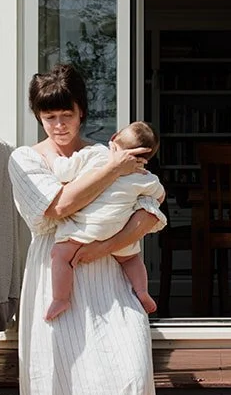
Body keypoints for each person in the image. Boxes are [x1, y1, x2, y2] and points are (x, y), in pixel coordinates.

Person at [7, 65, 165, 395]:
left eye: (67, 116)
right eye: (49, 116)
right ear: (38, 116)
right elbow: (54, 210)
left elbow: (149, 211)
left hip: (106, 274)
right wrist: (113, 174)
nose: (58, 126)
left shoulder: (101, 154)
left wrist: (105, 245)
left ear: (82, 113)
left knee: (131, 374)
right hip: (57, 279)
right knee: (59, 394)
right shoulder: (24, 160)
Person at [45, 120, 164, 321]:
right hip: (117, 230)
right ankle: (142, 291)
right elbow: (159, 197)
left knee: (60, 256)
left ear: (113, 139)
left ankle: (61, 298)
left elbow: (62, 171)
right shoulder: (145, 177)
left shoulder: (96, 154)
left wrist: (51, 155)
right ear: (145, 158)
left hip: (86, 228)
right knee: (131, 259)